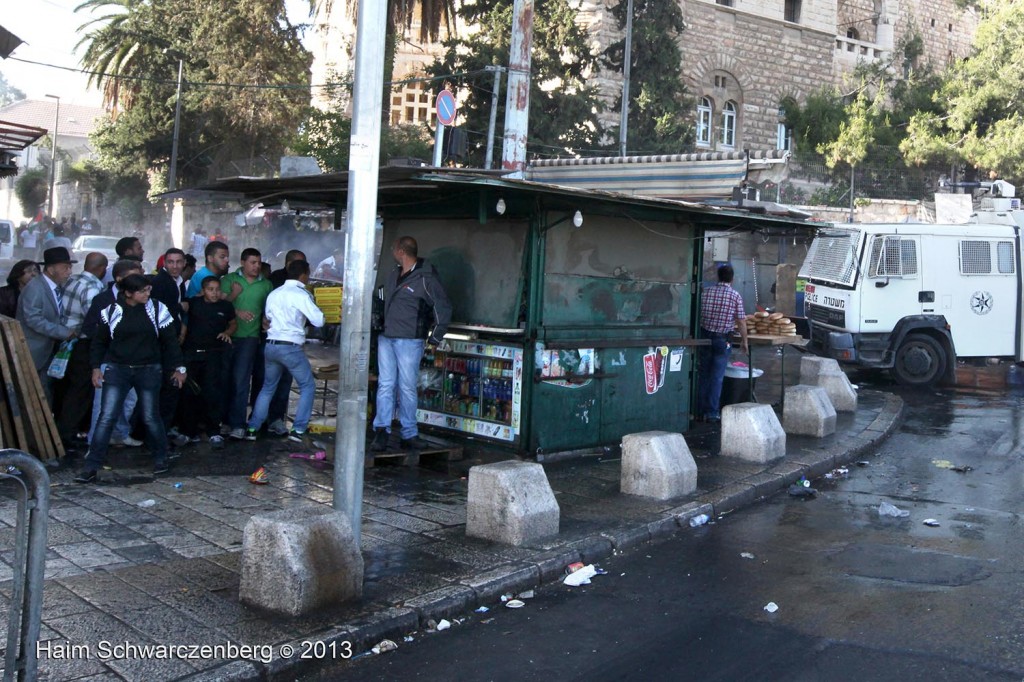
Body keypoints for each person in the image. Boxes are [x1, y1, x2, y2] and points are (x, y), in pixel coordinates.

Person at [74, 274, 186, 483]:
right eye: (142, 291)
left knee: (151, 416)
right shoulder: (111, 311)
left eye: (148, 290)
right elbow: (99, 342)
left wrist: (178, 367)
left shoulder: (156, 309)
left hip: (148, 369)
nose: (147, 294)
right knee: (107, 417)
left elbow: (170, 340)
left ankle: (161, 457)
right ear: (128, 293)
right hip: (118, 369)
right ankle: (91, 465)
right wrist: (96, 367)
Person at [371, 236, 452, 451]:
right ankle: (382, 430)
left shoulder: (425, 278)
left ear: (401, 251)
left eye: (393, 248)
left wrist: (435, 337)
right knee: (386, 385)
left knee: (406, 388)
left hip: (410, 339)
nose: (392, 252)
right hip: (387, 337)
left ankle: (409, 433)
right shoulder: (393, 275)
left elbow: (442, 307)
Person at [246, 259, 324, 442]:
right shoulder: (301, 294)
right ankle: (298, 430)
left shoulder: (275, 293)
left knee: (267, 387)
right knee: (307, 386)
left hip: (271, 345)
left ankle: (253, 428)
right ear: (304, 274)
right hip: (290, 347)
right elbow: (319, 320)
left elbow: (269, 318)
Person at [82, 259, 146, 448]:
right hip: (108, 360)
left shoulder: (141, 300)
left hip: (133, 359)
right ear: (119, 279)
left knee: (129, 400)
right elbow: (89, 328)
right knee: (102, 404)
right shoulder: (102, 300)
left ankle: (120, 433)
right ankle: (95, 442)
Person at [55, 252, 108, 450]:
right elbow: (92, 320)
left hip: (65, 340)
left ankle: (61, 430)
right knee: (80, 391)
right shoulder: (93, 288)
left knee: (66, 387)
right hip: (81, 343)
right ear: (102, 269)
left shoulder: (73, 279)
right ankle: (67, 434)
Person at [220, 248, 272, 439]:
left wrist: (266, 321)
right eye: (252, 262)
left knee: (241, 381)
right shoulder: (229, 281)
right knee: (224, 380)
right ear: (242, 263)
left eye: (258, 262)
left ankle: (238, 424)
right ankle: (224, 420)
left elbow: (270, 310)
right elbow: (219, 304)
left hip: (250, 338)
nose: (256, 266)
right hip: (226, 337)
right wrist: (236, 311)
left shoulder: (266, 285)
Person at [16, 247, 78, 402]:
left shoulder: (55, 287)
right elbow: (33, 319)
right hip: (35, 350)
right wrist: (63, 332)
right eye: (65, 267)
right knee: (35, 394)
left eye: (70, 267)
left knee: (45, 390)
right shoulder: (35, 288)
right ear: (50, 269)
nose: (69, 271)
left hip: (48, 348)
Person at [181, 276, 236, 448]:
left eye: (217, 289)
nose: (214, 293)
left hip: (214, 354)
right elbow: (183, 320)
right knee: (189, 393)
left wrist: (227, 332)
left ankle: (214, 431)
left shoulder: (225, 306)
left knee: (212, 392)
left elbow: (233, 323)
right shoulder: (193, 304)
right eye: (210, 289)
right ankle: (188, 432)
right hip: (192, 354)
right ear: (203, 290)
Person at [697, 264, 748, 423]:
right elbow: (741, 321)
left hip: (704, 337)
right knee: (717, 377)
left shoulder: (706, 292)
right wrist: (745, 341)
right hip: (722, 340)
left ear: (718, 277)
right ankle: (712, 413)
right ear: (732, 279)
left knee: (703, 375)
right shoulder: (735, 296)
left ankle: (698, 411)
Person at [149, 248, 189, 444]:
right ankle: (158, 436)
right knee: (166, 390)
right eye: (171, 262)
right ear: (164, 263)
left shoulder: (178, 283)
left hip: (172, 339)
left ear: (184, 264)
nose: (174, 266)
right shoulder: (161, 283)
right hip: (163, 344)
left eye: (178, 262)